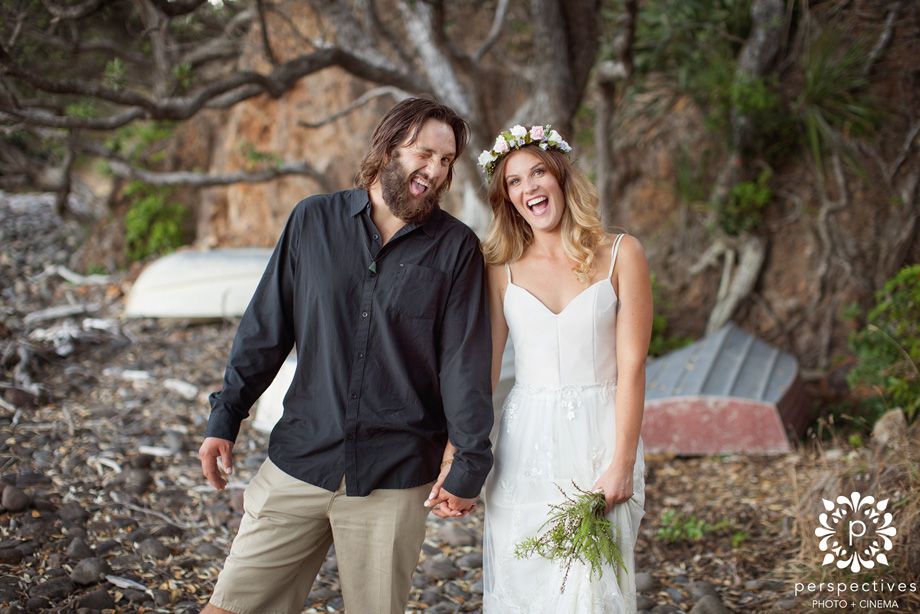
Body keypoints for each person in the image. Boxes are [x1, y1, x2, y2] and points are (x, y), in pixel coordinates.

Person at [198, 98, 493, 614]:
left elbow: (462, 365)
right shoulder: (313, 220)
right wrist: (225, 415)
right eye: (424, 153)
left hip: (395, 476)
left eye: (446, 161)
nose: (434, 171)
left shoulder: (457, 249)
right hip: (300, 459)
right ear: (387, 146)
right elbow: (266, 329)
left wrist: (468, 462)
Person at [431, 124, 651, 612]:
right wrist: (455, 452)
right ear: (506, 198)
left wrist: (622, 463)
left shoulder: (621, 253)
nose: (528, 187)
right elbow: (483, 371)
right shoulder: (499, 267)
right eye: (514, 181)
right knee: (524, 578)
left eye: (538, 173)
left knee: (593, 587)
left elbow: (633, 366)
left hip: (601, 435)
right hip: (525, 440)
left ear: (562, 177)